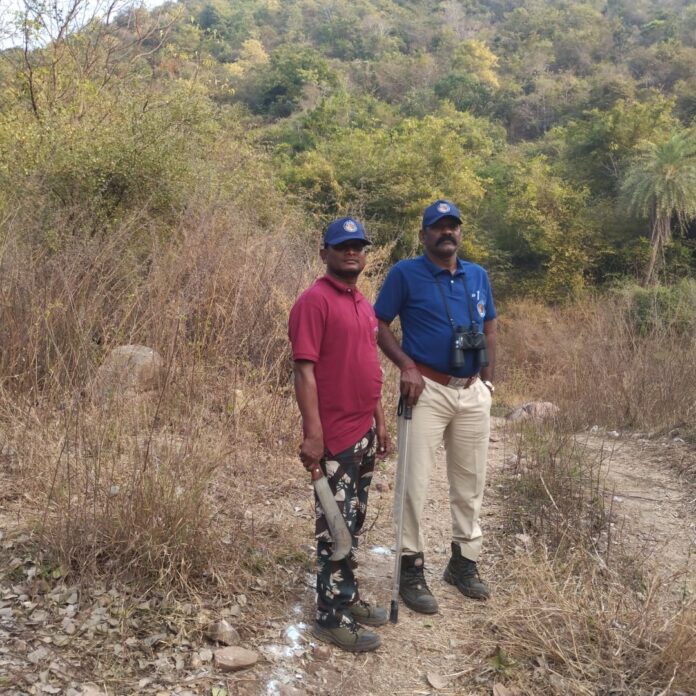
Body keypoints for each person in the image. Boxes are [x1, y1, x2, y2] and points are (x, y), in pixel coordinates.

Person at [374, 199, 497, 614]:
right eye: (438, 226)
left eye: (453, 226)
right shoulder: (405, 273)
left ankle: (464, 563)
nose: (447, 232)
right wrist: (406, 365)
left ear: (460, 232)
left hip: (472, 391)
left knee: (471, 482)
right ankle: (411, 568)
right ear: (423, 234)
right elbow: (379, 323)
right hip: (425, 388)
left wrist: (489, 381)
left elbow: (490, 326)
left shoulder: (477, 275)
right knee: (413, 482)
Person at [288, 216, 391, 652]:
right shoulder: (314, 301)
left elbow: (369, 365)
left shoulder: (363, 304)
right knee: (335, 528)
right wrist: (313, 434)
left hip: (363, 430)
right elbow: (303, 370)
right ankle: (330, 617)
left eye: (358, 247)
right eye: (343, 246)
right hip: (334, 437)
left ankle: (346, 596)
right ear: (324, 253)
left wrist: (380, 421)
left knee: (353, 520)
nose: (352, 252)